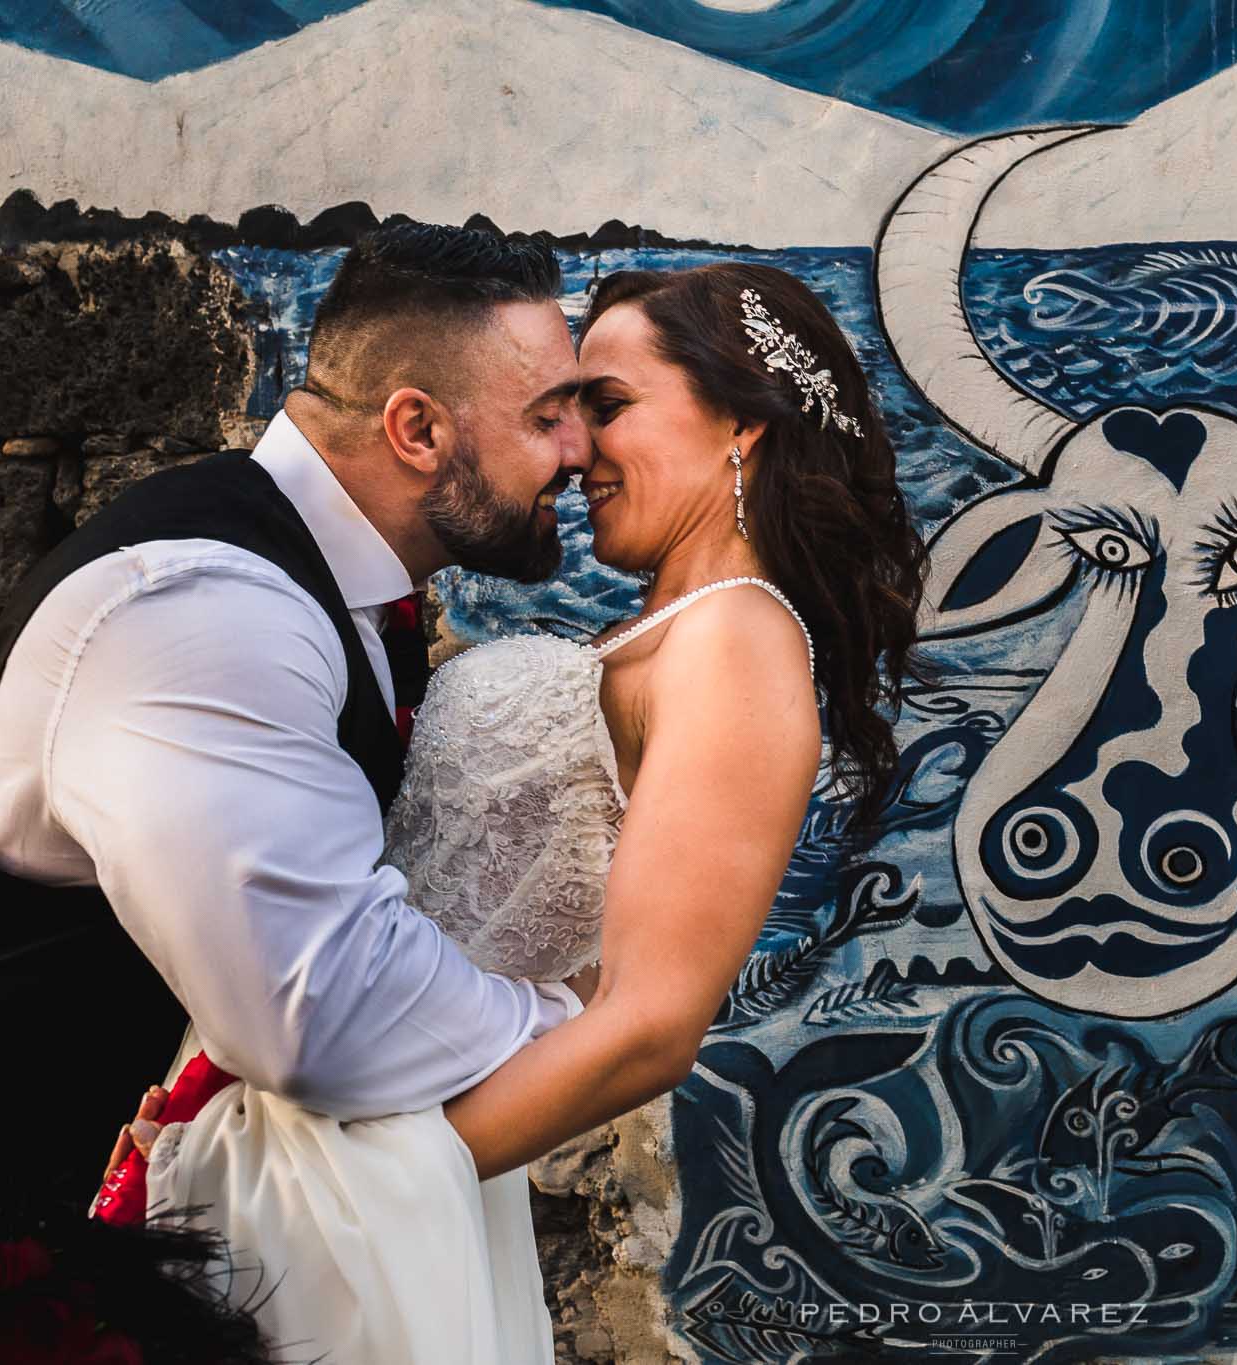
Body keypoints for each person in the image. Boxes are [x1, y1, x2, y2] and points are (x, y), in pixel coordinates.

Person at [123, 260, 927, 1361]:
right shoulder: (668, 635)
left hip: (365, 1184)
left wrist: (384, 1182)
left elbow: (648, 1022)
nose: (577, 450)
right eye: (563, 412)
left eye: (608, 406)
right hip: (290, 1121)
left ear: (741, 425)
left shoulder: (736, 640)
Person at [0, 222, 596, 1361]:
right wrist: (590, 1030)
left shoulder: (328, 585)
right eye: (548, 414)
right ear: (415, 427)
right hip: (3, 1262)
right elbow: (320, 1013)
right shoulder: (202, 612)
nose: (581, 448)